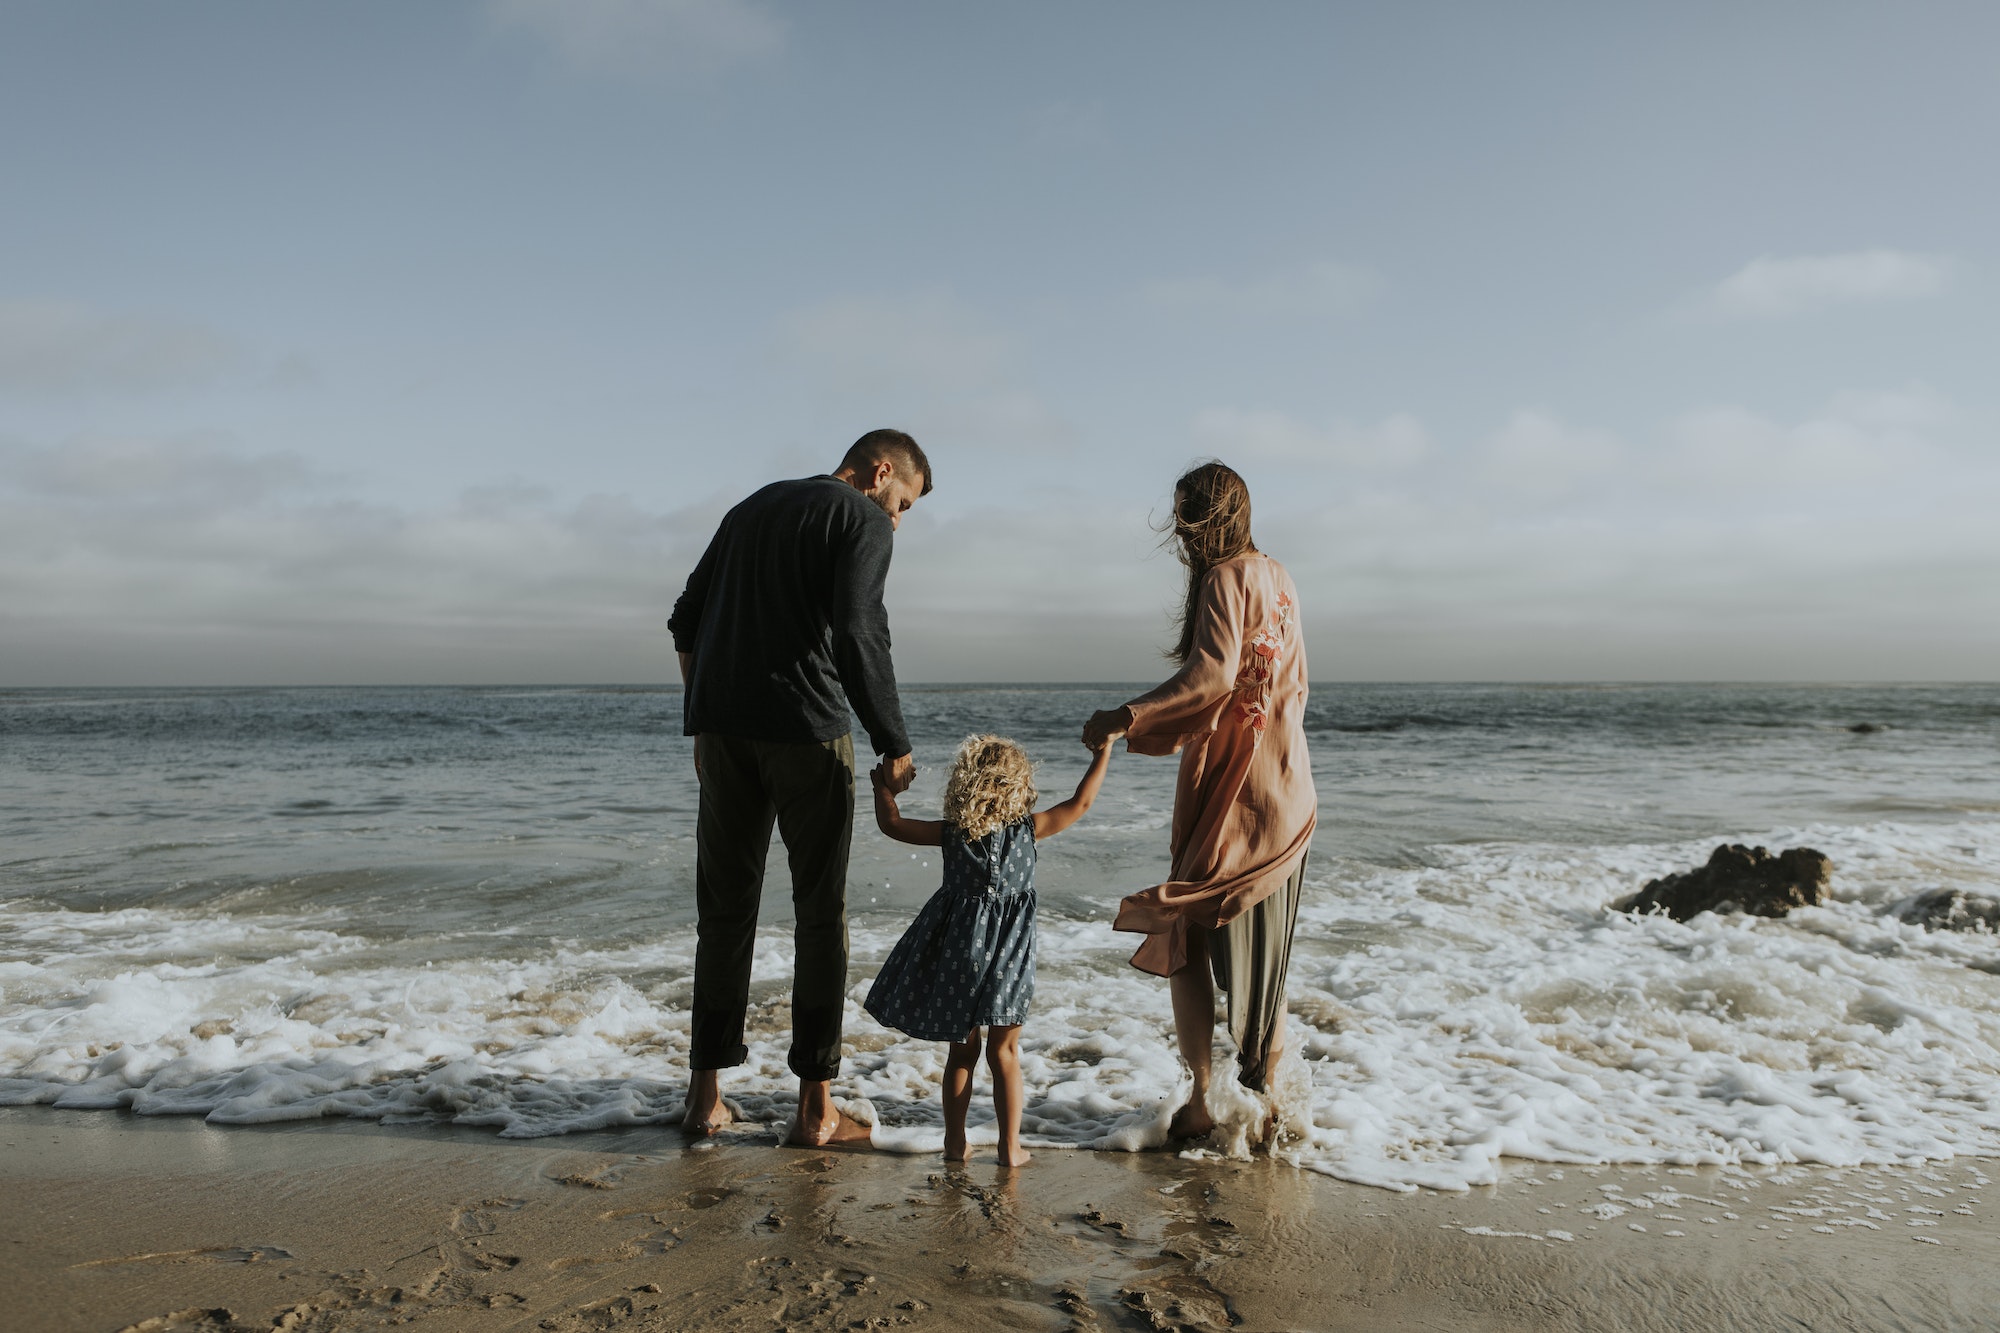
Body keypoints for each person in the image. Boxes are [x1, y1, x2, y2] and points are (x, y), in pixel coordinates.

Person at [666, 428, 931, 1147]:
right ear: (880, 472)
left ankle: (703, 1100)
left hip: (721, 734)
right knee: (819, 916)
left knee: (723, 916)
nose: (898, 519)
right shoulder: (862, 518)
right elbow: (857, 630)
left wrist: (702, 719)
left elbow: (684, 618)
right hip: (807, 732)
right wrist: (893, 740)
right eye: (903, 502)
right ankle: (815, 1110)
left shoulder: (750, 508)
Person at [1081, 461, 1314, 1144]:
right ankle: (1264, 1104)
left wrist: (1126, 716)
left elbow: (1211, 674)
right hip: (1290, 785)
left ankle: (1202, 1100)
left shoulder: (1223, 576)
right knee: (1264, 953)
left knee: (1185, 927)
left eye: (1184, 525)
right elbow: (1292, 686)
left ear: (1195, 523)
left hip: (1233, 789)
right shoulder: (1280, 577)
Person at [864, 734, 1113, 1167]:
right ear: (1019, 784)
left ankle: (955, 1144)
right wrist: (1103, 752)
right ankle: (1009, 1148)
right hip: (1010, 958)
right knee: (1005, 1052)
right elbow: (1082, 803)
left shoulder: (952, 834)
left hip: (959, 953)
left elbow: (893, 826)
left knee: (962, 1052)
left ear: (964, 784)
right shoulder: (1030, 829)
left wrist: (882, 789)